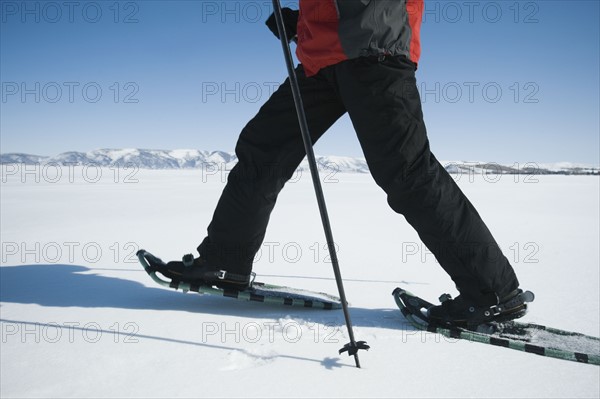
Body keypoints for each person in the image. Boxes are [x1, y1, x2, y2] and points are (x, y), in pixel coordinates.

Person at [146, 0, 529, 326]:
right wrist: (303, 22)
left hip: (375, 51)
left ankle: (493, 292)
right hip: (319, 60)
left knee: (406, 173)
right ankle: (225, 262)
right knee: (262, 149)